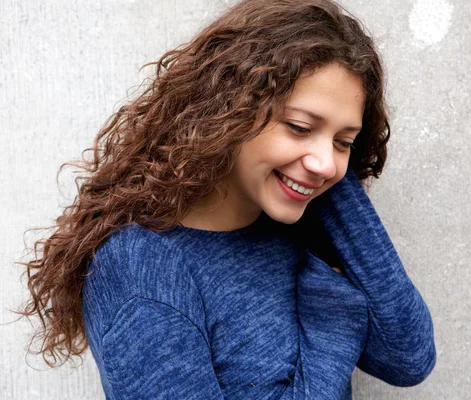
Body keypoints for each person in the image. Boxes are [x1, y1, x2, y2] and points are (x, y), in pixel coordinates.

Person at [14, 0, 436, 398]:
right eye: (299, 126)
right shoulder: (143, 270)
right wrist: (332, 329)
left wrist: (322, 164)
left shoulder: (292, 220)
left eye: (346, 140)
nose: (326, 163)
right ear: (228, 112)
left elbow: (408, 357)